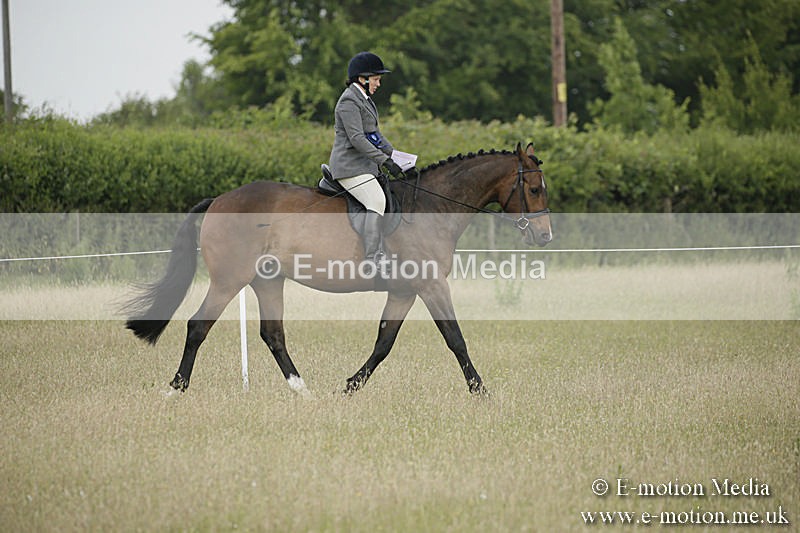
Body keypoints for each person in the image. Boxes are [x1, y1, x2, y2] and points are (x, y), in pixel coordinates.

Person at [329, 51, 405, 264]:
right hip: (349, 167)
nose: (379, 84)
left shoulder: (366, 101)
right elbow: (357, 139)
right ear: (362, 79)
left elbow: (376, 137)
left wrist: (399, 158)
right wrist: (385, 161)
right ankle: (373, 257)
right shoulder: (348, 102)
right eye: (376, 79)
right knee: (377, 201)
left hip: (365, 167)